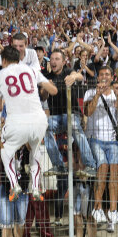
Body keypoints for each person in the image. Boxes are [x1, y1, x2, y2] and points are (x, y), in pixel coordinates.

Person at [0, 46, 57, 201]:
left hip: (17, 122)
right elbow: (53, 91)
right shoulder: (31, 70)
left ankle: (14, 185)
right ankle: (35, 188)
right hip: (39, 120)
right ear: (19, 59)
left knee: (5, 151)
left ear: (4, 60)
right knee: (35, 150)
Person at [43, 49, 97, 177]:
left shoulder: (67, 71)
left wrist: (73, 77)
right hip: (56, 117)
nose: (54, 61)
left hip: (72, 113)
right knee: (44, 126)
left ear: (63, 62)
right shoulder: (47, 77)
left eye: (57, 59)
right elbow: (43, 96)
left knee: (73, 125)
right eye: (52, 59)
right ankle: (58, 165)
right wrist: (46, 87)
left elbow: (79, 76)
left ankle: (90, 165)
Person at [83, 66, 118, 226]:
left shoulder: (116, 93)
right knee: (103, 167)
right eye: (101, 74)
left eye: (107, 74)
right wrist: (98, 94)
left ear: (112, 77)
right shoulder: (90, 92)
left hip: (112, 139)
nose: (105, 77)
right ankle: (97, 207)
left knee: (114, 171)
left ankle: (113, 211)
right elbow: (88, 112)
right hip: (95, 138)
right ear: (97, 77)